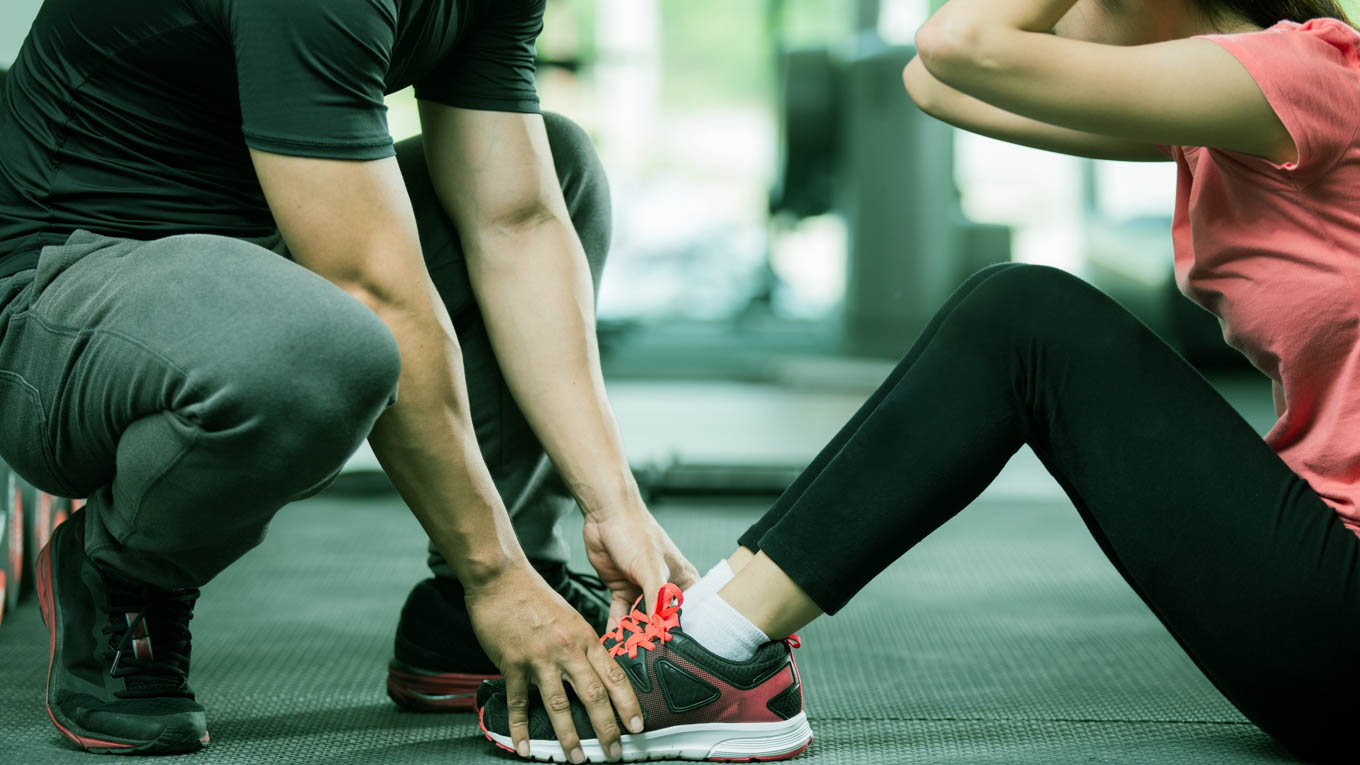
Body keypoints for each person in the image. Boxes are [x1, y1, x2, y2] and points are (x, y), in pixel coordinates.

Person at [478, 0, 1360, 762]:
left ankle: (716, 649)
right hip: (1321, 604)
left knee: (1027, 319)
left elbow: (960, 46)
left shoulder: (1300, 72)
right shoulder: (1223, 113)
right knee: (1014, 312)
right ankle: (712, 625)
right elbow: (935, 78)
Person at [0, 0, 698, 757]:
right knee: (324, 344)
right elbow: (372, 289)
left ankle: (482, 607)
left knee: (557, 167)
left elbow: (515, 223)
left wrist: (615, 505)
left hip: (257, 250)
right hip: (56, 298)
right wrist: (492, 573)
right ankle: (122, 571)